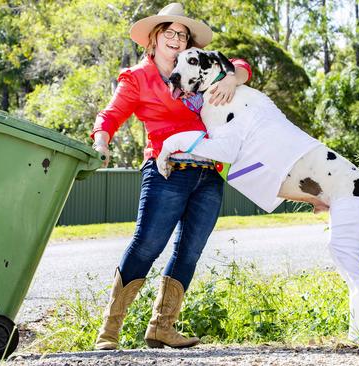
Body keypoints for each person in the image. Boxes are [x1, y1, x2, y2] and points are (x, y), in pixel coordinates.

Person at [91, 3, 252, 350]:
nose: (177, 39)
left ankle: (161, 327)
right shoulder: (138, 78)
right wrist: (102, 141)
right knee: (147, 245)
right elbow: (110, 115)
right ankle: (109, 331)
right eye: (170, 33)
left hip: (209, 173)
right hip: (168, 170)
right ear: (154, 37)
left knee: (189, 251)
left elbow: (240, 65)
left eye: (183, 34)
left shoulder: (199, 66)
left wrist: (231, 78)